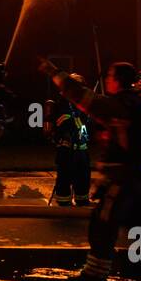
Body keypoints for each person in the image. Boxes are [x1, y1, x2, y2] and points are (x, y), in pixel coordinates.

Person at [38, 57, 141, 281]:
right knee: (136, 224)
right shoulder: (139, 103)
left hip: (122, 176)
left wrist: (55, 72)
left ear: (117, 81)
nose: (106, 80)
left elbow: (85, 99)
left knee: (102, 226)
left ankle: (95, 278)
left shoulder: (119, 105)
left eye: (109, 76)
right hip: (132, 176)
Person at [47, 76, 91, 206]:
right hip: (67, 149)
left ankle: (82, 200)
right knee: (64, 181)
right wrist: (82, 117)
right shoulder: (63, 103)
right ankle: (63, 206)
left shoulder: (82, 104)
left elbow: (89, 126)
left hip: (82, 149)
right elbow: (64, 122)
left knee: (83, 181)